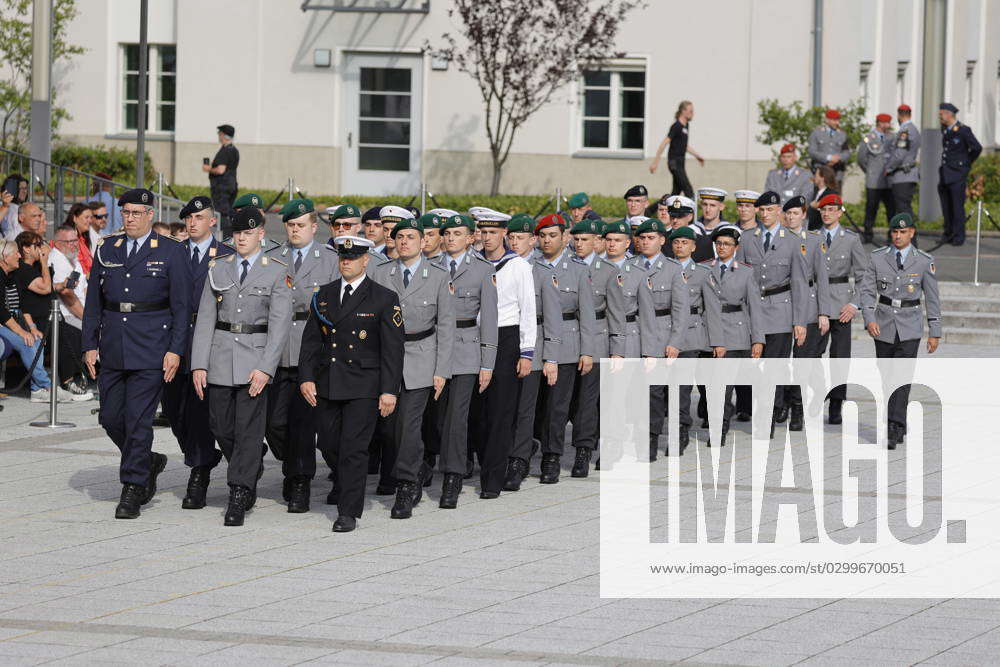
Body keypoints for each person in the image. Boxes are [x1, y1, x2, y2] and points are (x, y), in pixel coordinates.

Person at [81, 188, 190, 520]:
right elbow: (94, 303)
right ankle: (148, 460)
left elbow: (181, 307)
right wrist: (89, 343)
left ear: (149, 215)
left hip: (151, 347)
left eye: (136, 213)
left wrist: (175, 350)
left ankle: (132, 486)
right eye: (125, 213)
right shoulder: (108, 249)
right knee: (110, 417)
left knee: (138, 420)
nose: (129, 219)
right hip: (114, 345)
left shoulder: (170, 251)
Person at [191, 207, 292, 526]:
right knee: (220, 425)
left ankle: (240, 490)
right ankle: (249, 465)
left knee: (249, 428)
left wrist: (266, 368)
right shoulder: (218, 268)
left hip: (255, 358)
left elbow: (279, 325)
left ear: (261, 234)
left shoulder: (276, 269)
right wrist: (199, 364)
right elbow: (206, 318)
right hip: (220, 355)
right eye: (237, 233)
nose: (242, 238)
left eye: (248, 233)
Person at [298, 235, 403, 532]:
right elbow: (311, 341)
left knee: (354, 448)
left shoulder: (383, 297)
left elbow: (393, 349)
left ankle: (348, 510)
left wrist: (388, 390)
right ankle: (345, 483)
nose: (347, 262)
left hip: (364, 385)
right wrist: (306, 377)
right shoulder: (325, 295)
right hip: (329, 382)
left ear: (365, 260)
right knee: (329, 443)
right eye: (343, 258)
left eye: (353, 258)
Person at [369, 208, 454, 519]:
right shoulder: (380, 274)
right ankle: (414, 467)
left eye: (410, 237)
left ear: (423, 242)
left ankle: (406, 484)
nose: (404, 242)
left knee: (409, 425)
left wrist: (441, 370)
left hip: (421, 356)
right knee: (389, 428)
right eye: (399, 237)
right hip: (386, 358)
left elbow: (446, 326)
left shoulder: (439, 277)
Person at [263, 198, 340, 513]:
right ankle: (292, 461)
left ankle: (300, 481)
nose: (294, 230)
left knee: (305, 422)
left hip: (313, 348)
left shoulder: (330, 260)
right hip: (278, 348)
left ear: (313, 227)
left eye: (300, 225)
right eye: (290, 225)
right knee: (275, 422)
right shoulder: (271, 258)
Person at [160, 195, 234, 511]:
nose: (193, 223)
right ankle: (203, 455)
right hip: (174, 342)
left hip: (212, 343)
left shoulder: (227, 254)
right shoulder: (172, 254)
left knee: (202, 414)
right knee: (175, 412)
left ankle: (199, 473)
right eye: (189, 218)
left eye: (199, 218)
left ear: (212, 221)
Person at [433, 214, 498, 507]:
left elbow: (489, 319)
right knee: (435, 418)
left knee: (455, 419)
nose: (450, 238)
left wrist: (487, 362)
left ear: (470, 238)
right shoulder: (431, 266)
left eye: (457, 233)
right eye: (447, 233)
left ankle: (452, 478)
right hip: (433, 348)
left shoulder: (483, 269)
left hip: (466, 348)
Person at [859, 213, 940, 448]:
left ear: (912, 233)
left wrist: (935, 331)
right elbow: (866, 291)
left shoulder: (924, 261)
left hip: (910, 325)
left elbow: (933, 299)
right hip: (883, 324)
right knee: (887, 377)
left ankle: (894, 425)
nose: (898, 236)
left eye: (903, 232)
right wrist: (869, 317)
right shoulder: (877, 258)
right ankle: (898, 422)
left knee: (902, 377)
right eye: (894, 232)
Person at [734, 191, 810, 437]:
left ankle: (769, 414)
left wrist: (799, 321)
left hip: (780, 309)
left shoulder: (791, 240)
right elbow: (739, 278)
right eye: (762, 210)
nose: (765, 214)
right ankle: (765, 406)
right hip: (754, 311)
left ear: (779, 211)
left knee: (775, 367)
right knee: (754, 366)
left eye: (770, 209)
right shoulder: (746, 239)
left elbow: (799, 283)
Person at [531, 214, 597, 484]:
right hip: (535, 341)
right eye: (543, 236)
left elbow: (587, 314)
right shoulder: (529, 267)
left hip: (569, 345)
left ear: (564, 238)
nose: (547, 241)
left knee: (558, 406)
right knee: (536, 405)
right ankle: (532, 449)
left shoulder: (579, 270)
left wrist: (587, 351)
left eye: (553, 236)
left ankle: (552, 457)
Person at [504, 212, 562, 492]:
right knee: (505, 406)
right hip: (505, 344)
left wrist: (550, 356)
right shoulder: (500, 267)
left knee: (526, 408)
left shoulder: (541, 272)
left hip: (533, 346)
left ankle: (518, 459)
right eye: (512, 237)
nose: (515, 242)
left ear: (533, 241)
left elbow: (551, 318)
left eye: (521, 238)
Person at [700, 227, 764, 446]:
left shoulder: (746, 272)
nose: (722, 247)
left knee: (724, 386)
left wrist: (758, 339)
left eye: (727, 244)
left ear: (736, 248)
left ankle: (721, 428)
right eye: (719, 244)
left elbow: (755, 307)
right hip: (709, 330)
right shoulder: (704, 268)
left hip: (736, 332)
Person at [635, 217, 691, 458]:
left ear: (661, 241)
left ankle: (666, 434)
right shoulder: (630, 266)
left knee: (662, 390)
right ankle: (646, 436)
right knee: (644, 391)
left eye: (651, 238)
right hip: (637, 334)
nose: (646, 242)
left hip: (662, 333)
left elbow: (681, 309)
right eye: (643, 238)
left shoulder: (673, 269)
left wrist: (675, 342)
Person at [812, 193, 867, 424]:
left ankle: (836, 402)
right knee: (811, 354)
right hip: (817, 303)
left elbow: (864, 276)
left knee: (840, 357)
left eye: (832, 209)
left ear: (840, 212)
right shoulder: (812, 236)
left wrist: (854, 304)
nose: (827, 213)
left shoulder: (851, 239)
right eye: (823, 209)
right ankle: (819, 390)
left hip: (842, 302)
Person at [669, 225, 725, 450]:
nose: (680, 246)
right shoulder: (665, 269)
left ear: (693, 247)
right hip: (669, 332)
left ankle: (701, 425)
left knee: (695, 386)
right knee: (675, 387)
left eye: (685, 243)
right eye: (676, 242)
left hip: (693, 334)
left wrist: (718, 341)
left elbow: (712, 309)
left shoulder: (703, 273)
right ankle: (679, 429)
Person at [780, 196, 831, 430]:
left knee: (802, 359)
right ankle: (782, 403)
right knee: (782, 358)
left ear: (803, 216)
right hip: (781, 303)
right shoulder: (777, 239)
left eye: (795, 213)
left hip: (808, 304)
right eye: (788, 213)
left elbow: (822, 277)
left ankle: (797, 407)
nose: (791, 217)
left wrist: (824, 312)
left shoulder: (814, 240)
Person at [568, 219, 614, 477]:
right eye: (576, 239)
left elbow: (616, 313)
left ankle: (583, 450)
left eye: (585, 240)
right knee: (572, 399)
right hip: (568, 336)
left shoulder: (606, 271)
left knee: (588, 399)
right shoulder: (566, 267)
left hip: (597, 338)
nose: (579, 244)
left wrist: (617, 348)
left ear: (597, 242)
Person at [1, 239, 65, 403]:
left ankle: (37, 390)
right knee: (25, 342)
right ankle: (48, 386)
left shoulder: (12, 276)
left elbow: (22, 306)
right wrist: (22, 332)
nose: (18, 256)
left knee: (35, 338)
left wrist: (31, 327)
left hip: (11, 322)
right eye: (15, 253)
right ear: (4, 257)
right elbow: (1, 312)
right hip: (3, 323)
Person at [46, 226, 94, 400]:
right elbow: (67, 295)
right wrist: (89, 319)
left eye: (76, 241)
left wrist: (96, 310)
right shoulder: (56, 259)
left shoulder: (73, 259)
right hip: (66, 315)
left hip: (81, 311)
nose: (75, 245)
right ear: (58, 243)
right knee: (90, 331)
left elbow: (85, 289)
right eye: (70, 241)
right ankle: (71, 381)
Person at [936, 102, 982, 246]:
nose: (940, 116)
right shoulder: (946, 129)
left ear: (949, 114)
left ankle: (958, 236)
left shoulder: (963, 130)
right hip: (945, 173)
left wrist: (965, 163)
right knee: (946, 206)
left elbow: (977, 148)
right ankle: (948, 233)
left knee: (957, 206)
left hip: (957, 174)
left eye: (942, 113)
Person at [649, 100, 704, 198]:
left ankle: (650, 210)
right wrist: (655, 162)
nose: (693, 113)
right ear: (683, 111)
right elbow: (664, 143)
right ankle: (694, 212)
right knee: (688, 189)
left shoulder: (686, 126)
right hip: (674, 163)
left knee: (675, 193)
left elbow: (684, 145)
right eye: (691, 111)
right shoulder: (676, 126)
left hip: (681, 162)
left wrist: (697, 156)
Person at [856, 113, 896, 244]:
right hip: (873, 180)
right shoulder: (869, 138)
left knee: (891, 209)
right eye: (886, 123)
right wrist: (870, 171)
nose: (888, 125)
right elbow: (861, 158)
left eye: (889, 123)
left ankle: (892, 235)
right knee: (871, 208)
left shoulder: (892, 137)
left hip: (888, 181)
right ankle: (868, 234)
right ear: (879, 123)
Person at [885, 104, 921, 219]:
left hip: (903, 175)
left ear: (899, 115)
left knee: (903, 208)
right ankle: (904, 235)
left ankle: (911, 235)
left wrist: (888, 168)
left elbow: (899, 155)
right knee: (902, 208)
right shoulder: (912, 129)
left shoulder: (905, 131)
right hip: (907, 174)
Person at [204, 124, 239, 238]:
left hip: (222, 187)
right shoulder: (234, 150)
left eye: (219, 133)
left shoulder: (225, 151)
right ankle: (229, 236)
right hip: (232, 184)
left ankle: (226, 238)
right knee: (229, 212)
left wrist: (208, 168)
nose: (218, 136)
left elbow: (220, 170)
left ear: (223, 135)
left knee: (221, 214)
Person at [808, 109, 851, 189]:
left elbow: (847, 152)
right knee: (819, 198)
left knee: (835, 198)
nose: (837, 123)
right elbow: (812, 152)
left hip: (836, 173)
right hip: (820, 173)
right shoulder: (816, 133)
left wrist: (838, 158)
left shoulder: (842, 134)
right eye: (834, 120)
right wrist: (828, 158)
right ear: (827, 120)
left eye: (838, 120)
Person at [65, 203, 96, 276]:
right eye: (86, 217)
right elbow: (79, 267)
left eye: (91, 218)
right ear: (75, 218)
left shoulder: (82, 238)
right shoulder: (70, 240)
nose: (90, 221)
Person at [807, 166, 838, 231]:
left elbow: (823, 206)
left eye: (816, 175)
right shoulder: (816, 191)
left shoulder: (831, 193)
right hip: (810, 228)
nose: (814, 177)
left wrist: (816, 205)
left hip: (822, 229)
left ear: (822, 177)